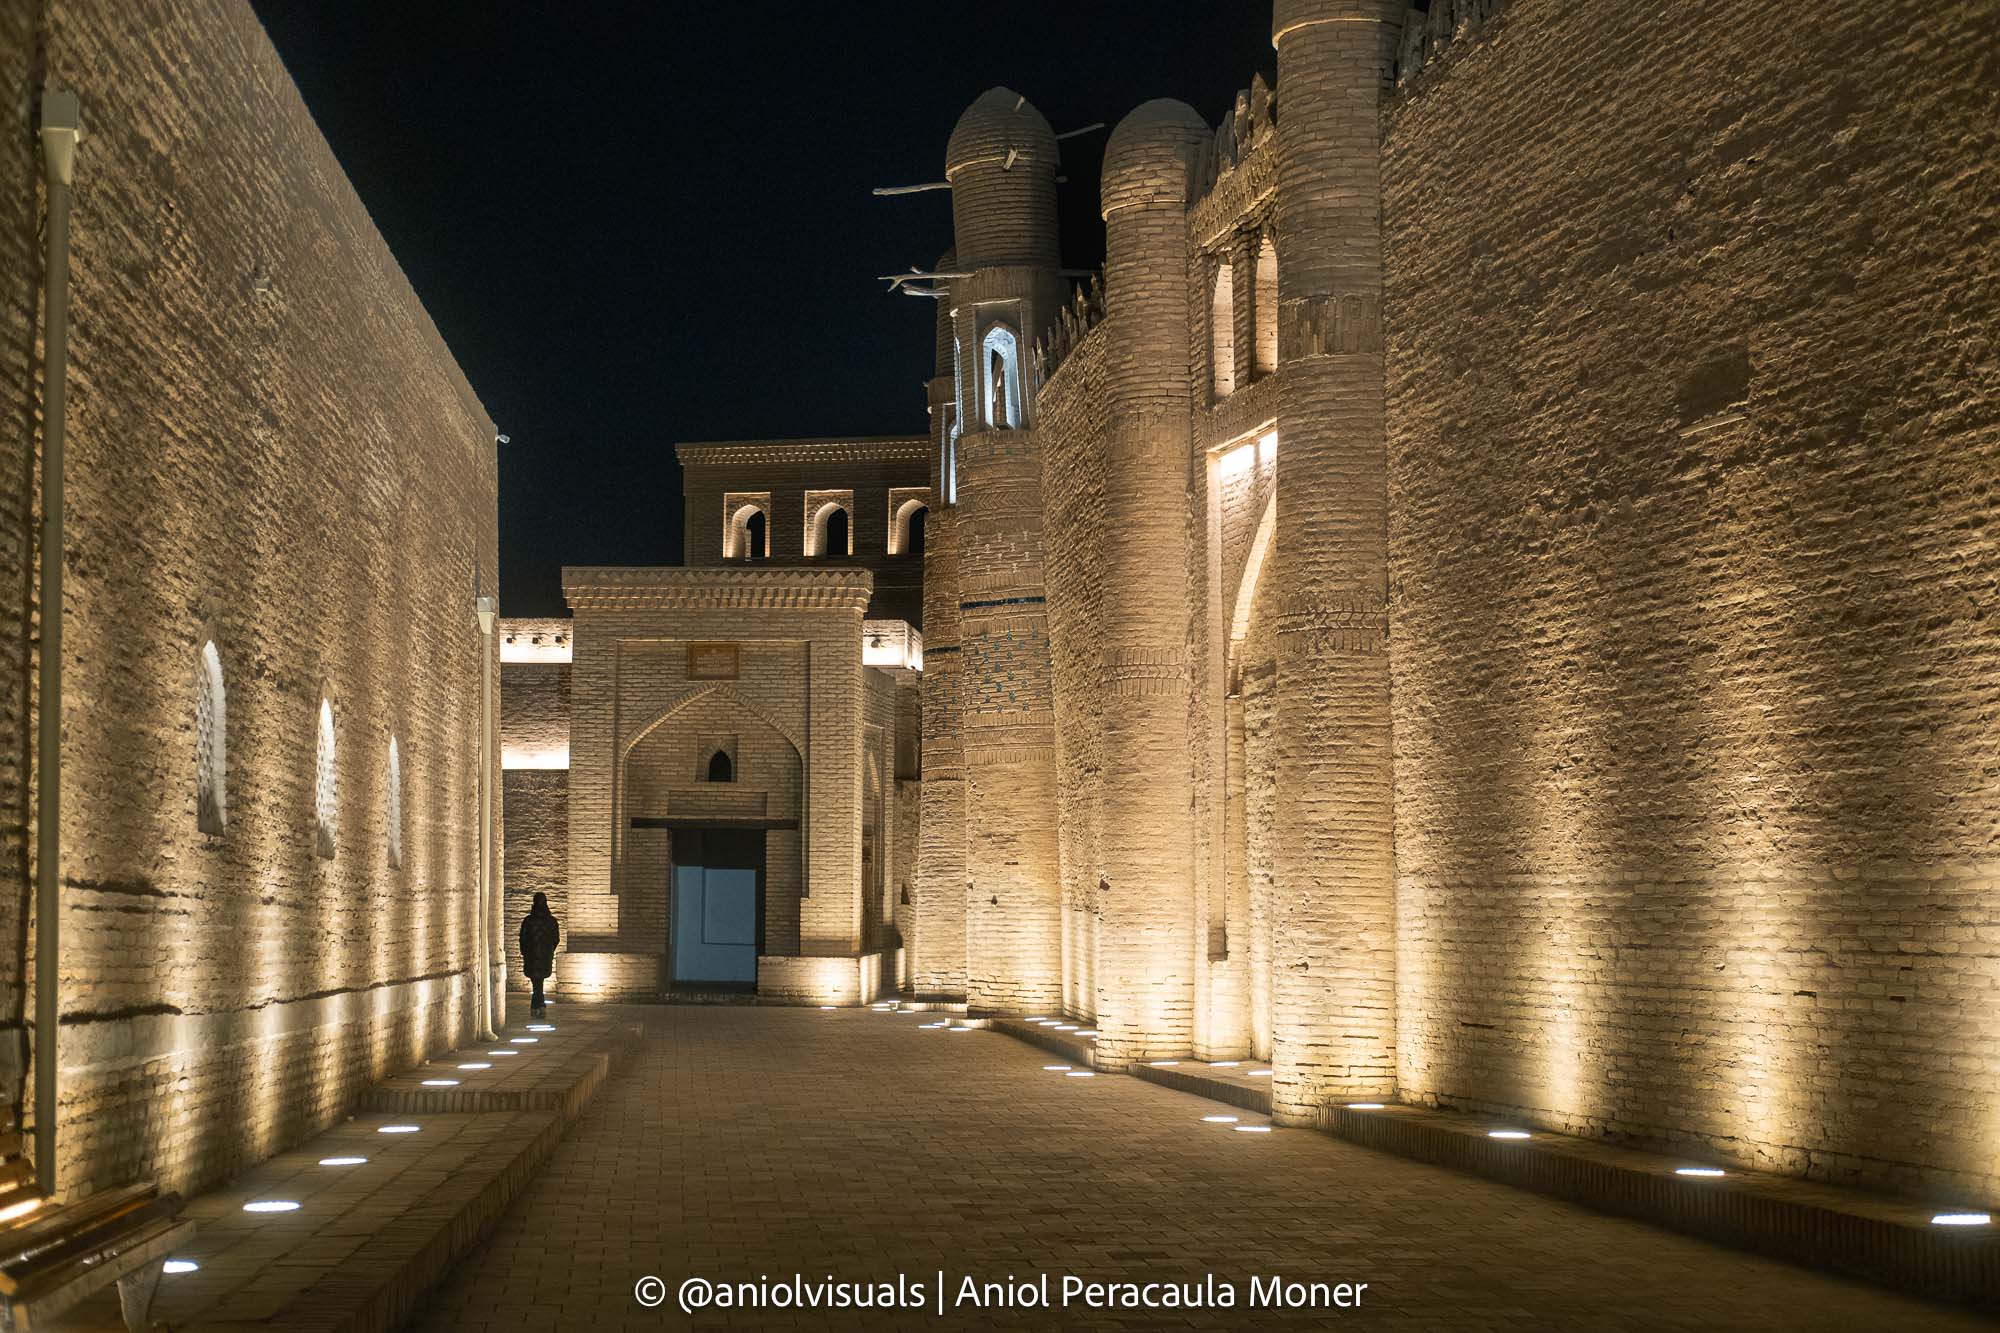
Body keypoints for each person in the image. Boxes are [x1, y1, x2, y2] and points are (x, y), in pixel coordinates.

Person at [519, 892, 560, 1019]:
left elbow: (523, 939)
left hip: (531, 956)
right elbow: (556, 939)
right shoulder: (552, 921)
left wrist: (525, 952)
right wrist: (549, 950)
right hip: (545, 956)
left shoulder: (528, 921)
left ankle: (537, 1007)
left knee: (536, 982)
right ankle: (539, 1007)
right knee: (539, 981)